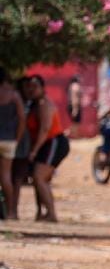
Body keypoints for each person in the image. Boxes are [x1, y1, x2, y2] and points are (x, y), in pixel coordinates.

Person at [21, 75, 68, 223]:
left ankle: (52, 214)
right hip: (45, 144)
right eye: (29, 87)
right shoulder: (33, 105)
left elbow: (45, 130)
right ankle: (41, 212)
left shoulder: (44, 104)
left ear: (42, 88)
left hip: (52, 142)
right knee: (39, 179)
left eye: (35, 87)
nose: (31, 90)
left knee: (39, 177)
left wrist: (34, 151)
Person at [0, 70, 23, 220]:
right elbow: (22, 119)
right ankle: (11, 212)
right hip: (9, 141)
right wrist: (17, 138)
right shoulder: (14, 95)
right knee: (6, 177)